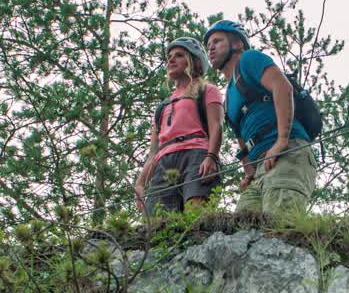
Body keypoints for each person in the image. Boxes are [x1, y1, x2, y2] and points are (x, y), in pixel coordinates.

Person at [203, 20, 317, 215]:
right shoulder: (228, 99)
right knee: (242, 229)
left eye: (217, 41)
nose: (210, 48)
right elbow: (243, 143)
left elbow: (282, 87)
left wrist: (281, 140)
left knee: (280, 224)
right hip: (261, 167)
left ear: (237, 44)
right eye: (208, 46)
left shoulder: (249, 60)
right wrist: (250, 174)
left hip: (288, 151)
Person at [134, 37, 224, 215]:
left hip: (197, 155)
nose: (171, 59)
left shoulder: (207, 90)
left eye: (179, 55)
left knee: (195, 218)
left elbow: (216, 126)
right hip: (164, 163)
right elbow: (154, 151)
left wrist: (211, 156)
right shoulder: (162, 107)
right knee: (155, 224)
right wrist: (140, 182)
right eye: (169, 56)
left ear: (193, 61)